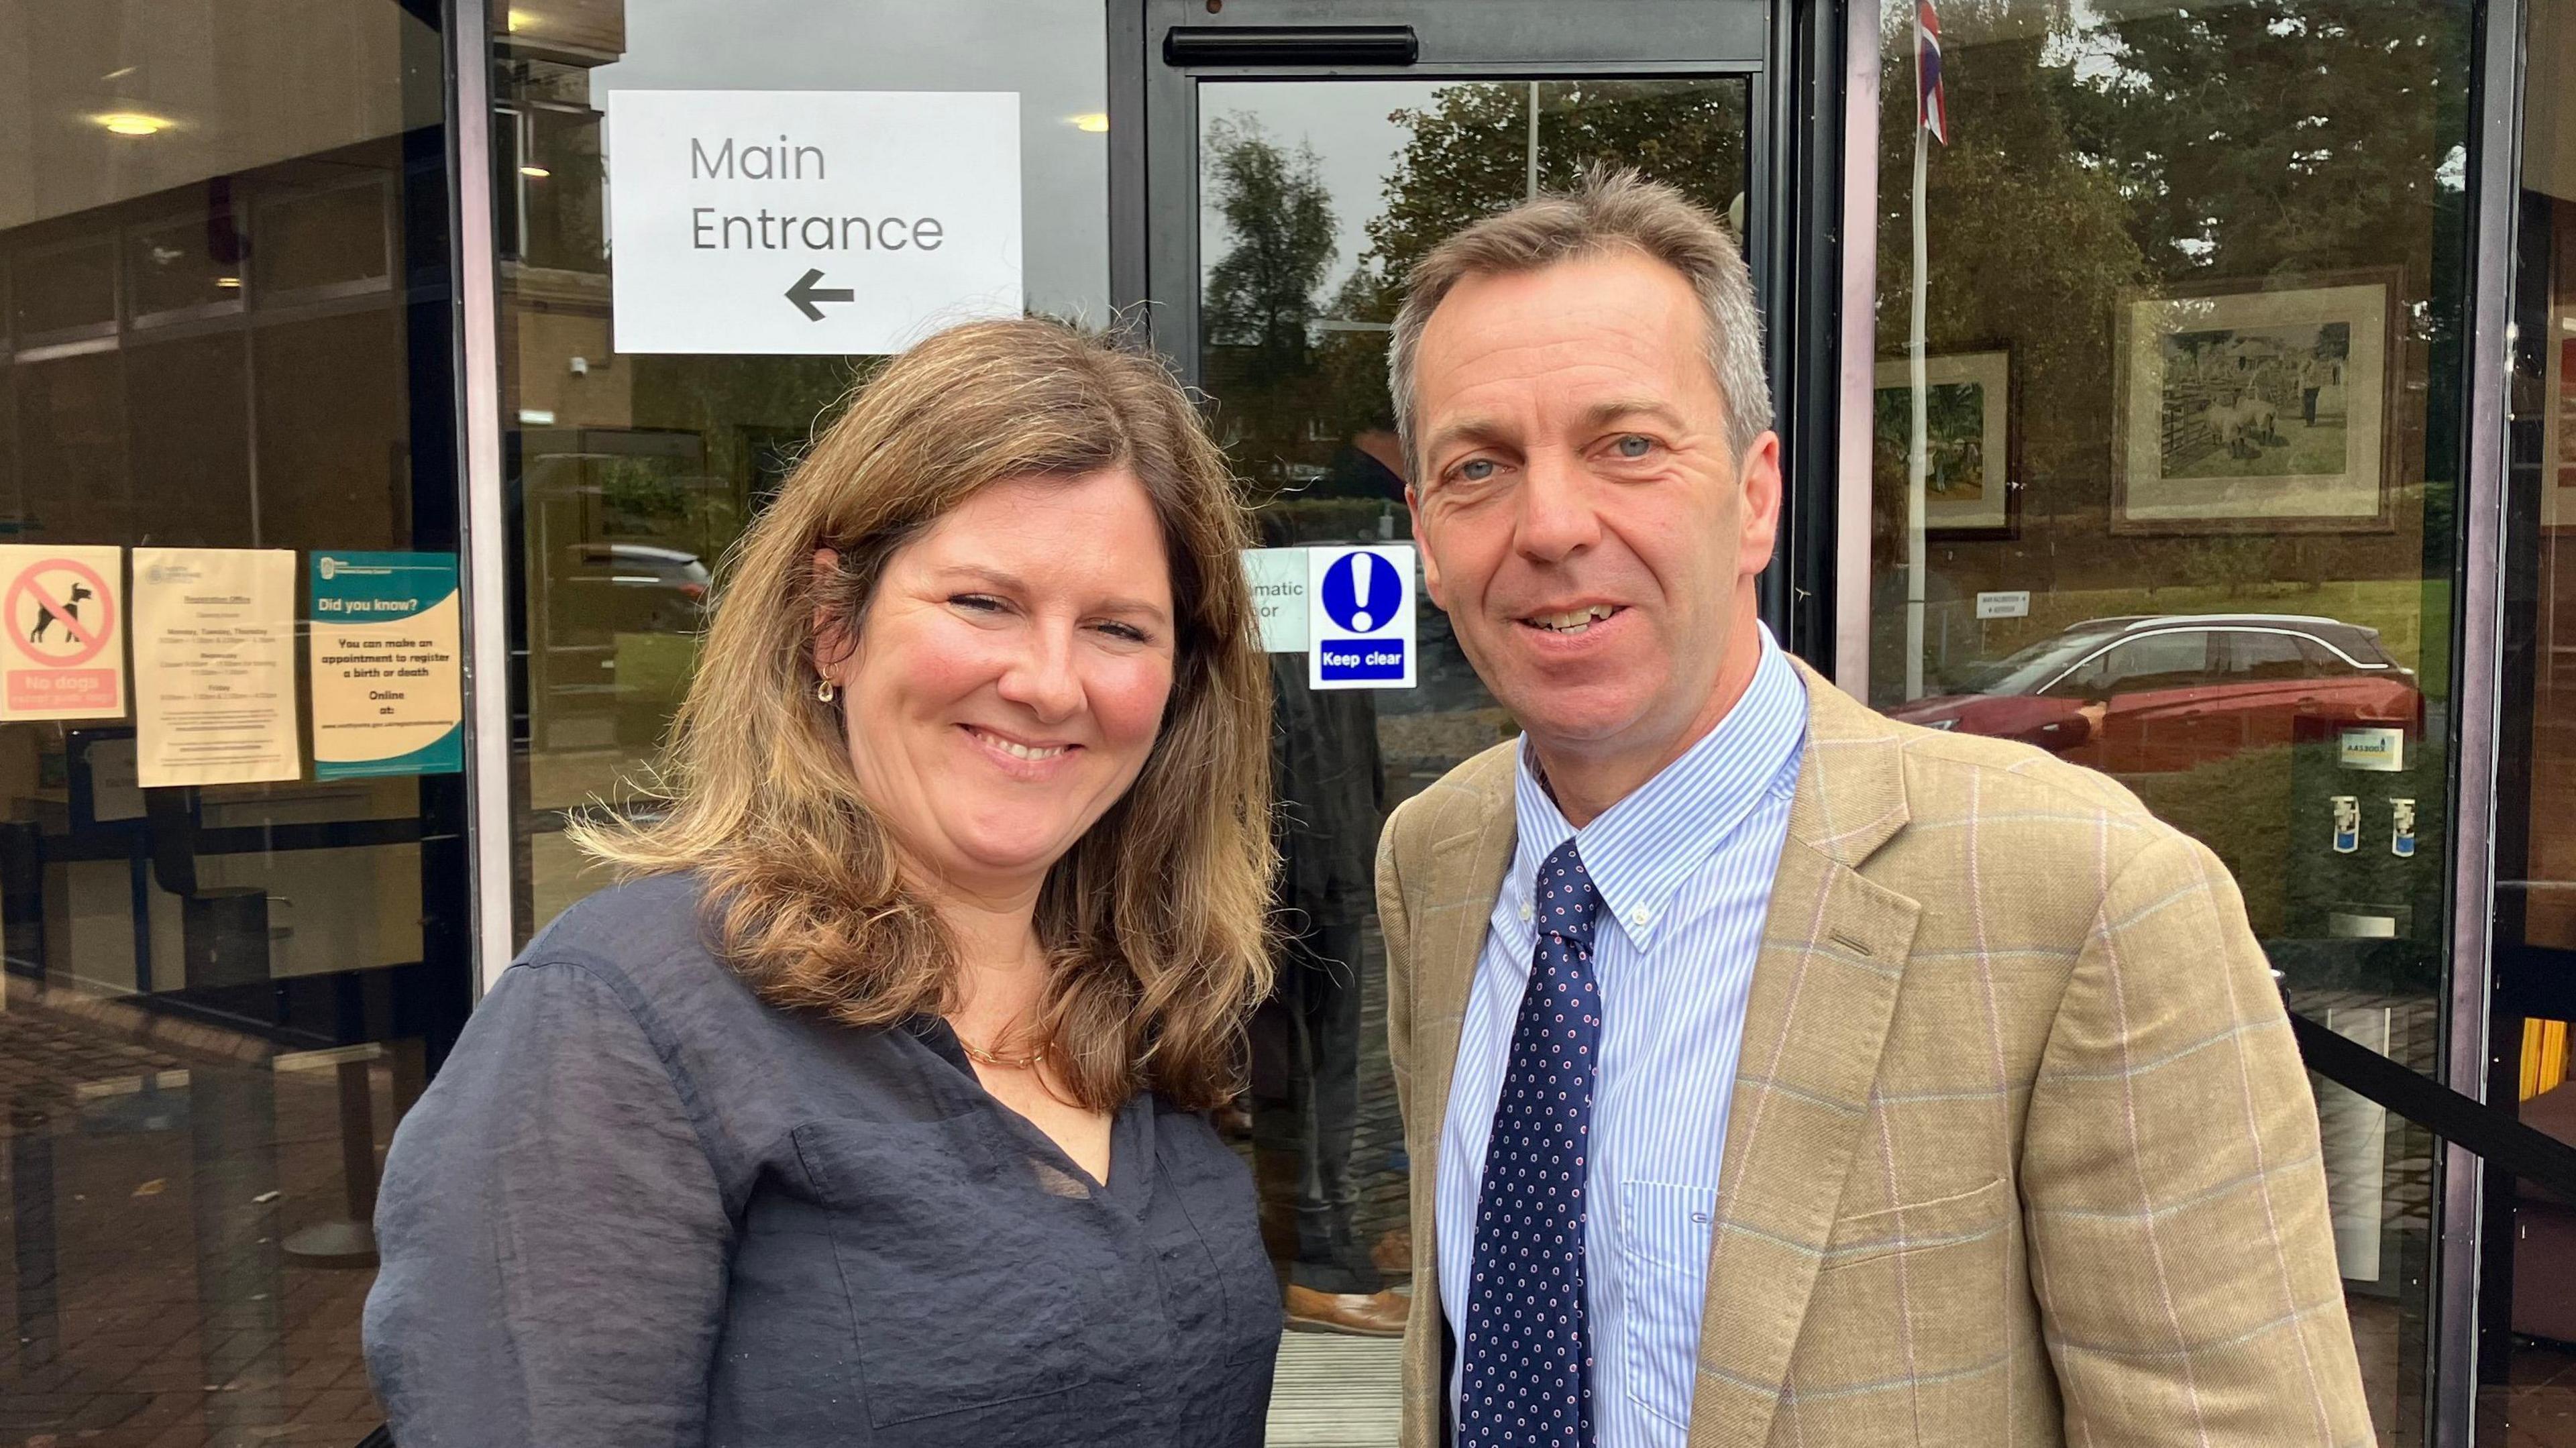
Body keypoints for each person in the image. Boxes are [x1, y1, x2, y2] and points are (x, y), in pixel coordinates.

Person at [1374, 170, 2372, 1447]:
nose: (1553, 523)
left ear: (1753, 496)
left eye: (1627, 444)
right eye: (1480, 467)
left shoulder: (2090, 897)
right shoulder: (1439, 862)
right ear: (1427, 533)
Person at [363, 318, 1283, 1447]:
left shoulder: (1147, 1010)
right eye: (983, 603)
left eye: (1117, 627)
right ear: (833, 626)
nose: (1049, 683)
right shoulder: (618, 1027)